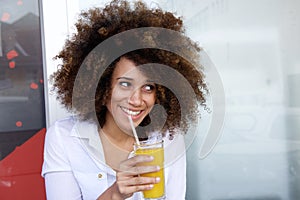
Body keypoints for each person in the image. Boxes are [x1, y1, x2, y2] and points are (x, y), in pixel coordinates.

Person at [41, 0, 208, 199]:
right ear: (101, 85)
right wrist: (116, 193)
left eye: (148, 87)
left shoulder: (168, 138)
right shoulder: (64, 138)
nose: (136, 100)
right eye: (125, 84)